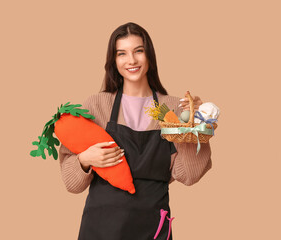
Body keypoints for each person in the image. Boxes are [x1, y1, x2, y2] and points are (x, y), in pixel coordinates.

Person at [59, 22, 212, 240]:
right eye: (122, 53)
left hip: (152, 228)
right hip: (101, 228)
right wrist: (84, 159)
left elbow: (189, 176)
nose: (131, 60)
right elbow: (70, 182)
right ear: (114, 61)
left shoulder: (171, 109)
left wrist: (195, 128)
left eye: (138, 51)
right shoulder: (97, 105)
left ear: (149, 56)